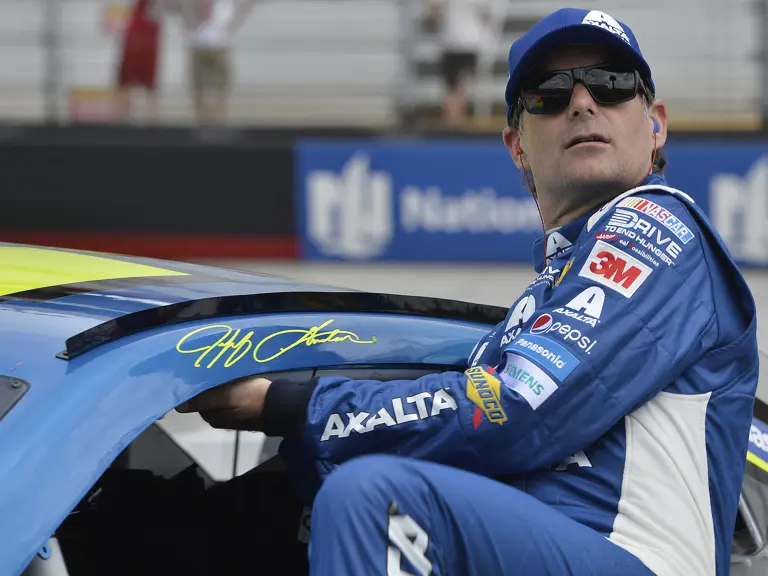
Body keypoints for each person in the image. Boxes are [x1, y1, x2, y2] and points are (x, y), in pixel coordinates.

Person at [178, 8, 759, 576]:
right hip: (534, 541)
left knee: (377, 501)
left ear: (655, 122)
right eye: (549, 93)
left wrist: (290, 404)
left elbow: (516, 409)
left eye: (610, 85)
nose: (582, 101)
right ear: (517, 147)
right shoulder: (539, 302)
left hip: (636, 558)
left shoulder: (656, 226)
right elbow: (459, 421)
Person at [425, 0, 492, 128]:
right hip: (466, 42)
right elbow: (486, 15)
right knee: (461, 86)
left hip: (455, 42)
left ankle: (453, 120)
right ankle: (454, 120)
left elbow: (431, 15)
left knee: (454, 87)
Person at [114, 0, 162, 123]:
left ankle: (151, 118)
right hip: (137, 32)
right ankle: (123, 115)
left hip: (147, 33)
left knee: (146, 81)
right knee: (128, 79)